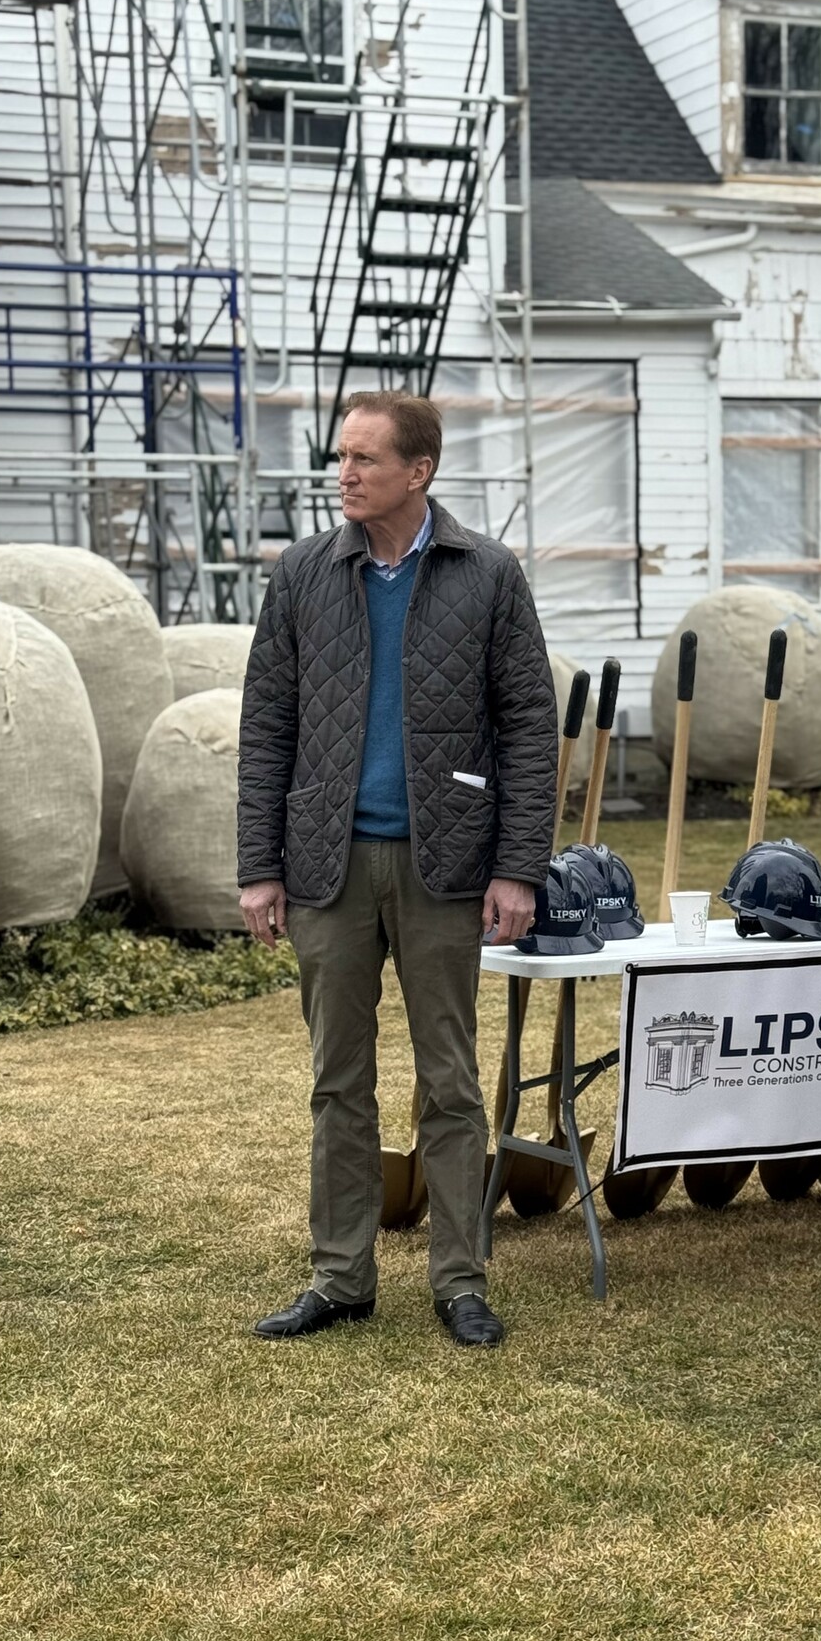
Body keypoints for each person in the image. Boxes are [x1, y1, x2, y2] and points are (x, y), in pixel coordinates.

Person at [237, 390, 558, 1348]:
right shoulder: (300, 575)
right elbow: (268, 727)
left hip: (448, 865)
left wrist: (519, 868)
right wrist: (261, 865)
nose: (345, 474)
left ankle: (460, 1280)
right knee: (338, 1081)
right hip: (325, 865)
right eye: (341, 458)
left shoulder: (489, 574)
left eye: (364, 460)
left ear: (418, 472)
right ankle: (340, 1277)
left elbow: (530, 728)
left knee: (450, 1083)